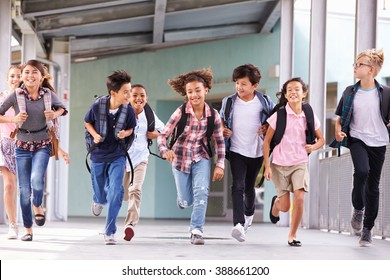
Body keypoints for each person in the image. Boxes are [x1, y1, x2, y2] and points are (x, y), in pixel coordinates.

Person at [0, 59, 67, 242]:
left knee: (37, 181)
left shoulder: (47, 94)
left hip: (42, 144)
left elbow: (63, 108)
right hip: (20, 146)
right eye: (27, 72)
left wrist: (54, 114)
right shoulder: (16, 95)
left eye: (34, 72)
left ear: (41, 77)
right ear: (22, 77)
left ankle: (37, 204)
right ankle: (28, 229)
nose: (30, 76)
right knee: (24, 189)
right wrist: (14, 120)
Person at [157, 68, 225, 245]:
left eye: (197, 91)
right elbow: (162, 136)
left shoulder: (214, 115)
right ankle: (182, 200)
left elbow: (219, 141)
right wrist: (165, 151)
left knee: (201, 192)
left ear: (206, 90)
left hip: (201, 157)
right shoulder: (180, 112)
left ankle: (196, 230)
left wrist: (220, 164)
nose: (194, 95)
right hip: (179, 159)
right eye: (190, 92)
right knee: (187, 200)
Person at [330, 49, 390, 247]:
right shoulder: (349, 92)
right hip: (357, 139)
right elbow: (339, 120)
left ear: (371, 70)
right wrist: (339, 132)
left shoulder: (386, 93)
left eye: (359, 64)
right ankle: (358, 208)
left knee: (373, 187)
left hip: (379, 142)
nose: (355, 67)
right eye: (355, 64)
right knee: (362, 171)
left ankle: (367, 229)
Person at [263, 77, 325, 247]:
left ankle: (292, 235)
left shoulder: (309, 115)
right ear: (285, 94)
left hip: (299, 162)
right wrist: (267, 167)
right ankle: (276, 203)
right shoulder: (279, 115)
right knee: (284, 207)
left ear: (304, 93)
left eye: (297, 89)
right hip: (279, 164)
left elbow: (321, 139)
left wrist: (313, 147)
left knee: (299, 198)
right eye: (289, 89)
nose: (293, 92)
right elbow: (267, 141)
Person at [219, 64, 275, 242]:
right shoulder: (229, 102)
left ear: (254, 85)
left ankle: (249, 213)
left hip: (257, 151)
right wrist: (223, 129)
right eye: (236, 83)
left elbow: (275, 119)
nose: (239, 87)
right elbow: (221, 120)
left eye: (243, 84)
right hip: (236, 149)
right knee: (237, 185)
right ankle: (238, 224)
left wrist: (266, 126)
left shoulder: (265, 101)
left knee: (249, 188)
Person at [84, 70, 136, 245]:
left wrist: (125, 133)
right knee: (99, 190)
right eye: (126, 92)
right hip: (98, 153)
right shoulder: (98, 105)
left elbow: (131, 129)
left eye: (130, 90)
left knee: (116, 191)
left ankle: (110, 232)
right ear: (113, 93)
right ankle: (98, 200)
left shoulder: (128, 110)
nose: (130, 95)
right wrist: (94, 135)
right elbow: (87, 121)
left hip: (117, 155)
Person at [122, 84, 165, 242]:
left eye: (142, 95)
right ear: (129, 97)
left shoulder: (149, 114)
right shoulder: (123, 112)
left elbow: (164, 130)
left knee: (136, 190)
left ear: (146, 97)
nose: (139, 98)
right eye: (135, 95)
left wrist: (153, 134)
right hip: (122, 158)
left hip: (140, 159)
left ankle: (130, 225)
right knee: (120, 193)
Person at [0, 65, 21, 239]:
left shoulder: (27, 99)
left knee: (26, 187)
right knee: (8, 185)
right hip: (4, 143)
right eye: (12, 76)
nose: (15, 79)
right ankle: (12, 224)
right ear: (7, 79)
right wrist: (13, 119)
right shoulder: (1, 98)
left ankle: (31, 214)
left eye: (18, 76)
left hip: (24, 145)